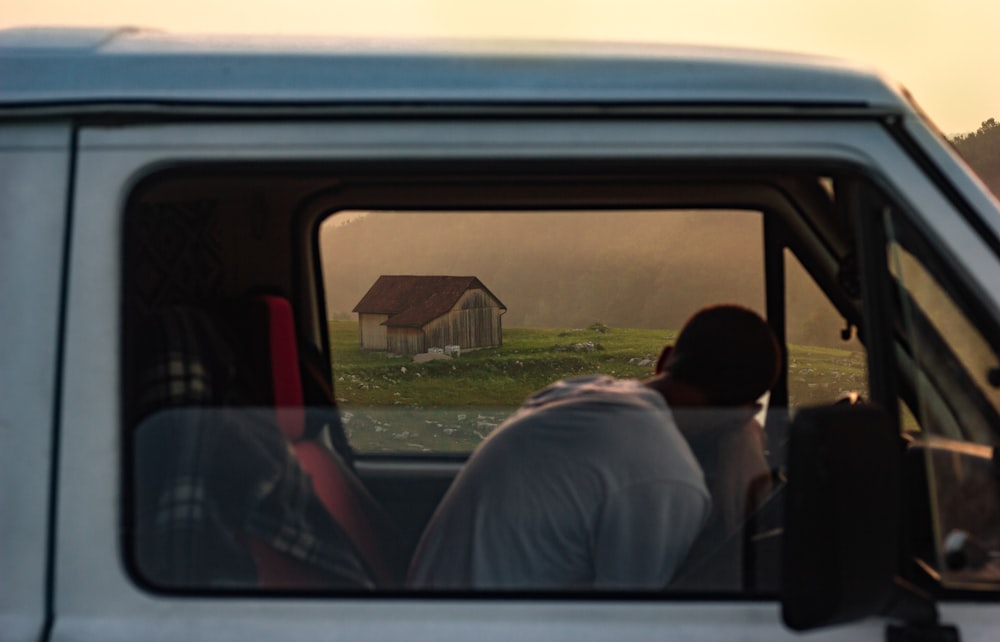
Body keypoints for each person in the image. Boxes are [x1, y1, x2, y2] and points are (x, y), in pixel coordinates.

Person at [406, 304, 781, 590]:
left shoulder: (575, 391)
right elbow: (631, 622)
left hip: (430, 612)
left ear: (663, 359)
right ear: (742, 414)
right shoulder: (667, 477)